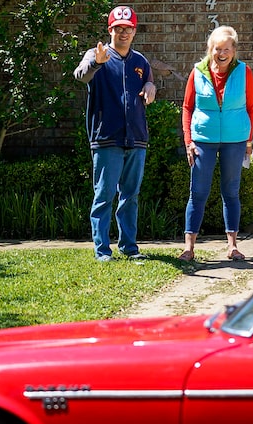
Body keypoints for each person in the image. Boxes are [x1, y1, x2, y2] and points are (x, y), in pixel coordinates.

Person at [73, 5, 156, 262]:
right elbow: (81, 76)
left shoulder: (141, 61)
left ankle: (130, 248)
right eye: (118, 28)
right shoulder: (96, 54)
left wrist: (151, 85)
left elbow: (149, 83)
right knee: (104, 196)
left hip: (137, 138)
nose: (123, 33)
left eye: (127, 28)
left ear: (134, 31)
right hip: (106, 137)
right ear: (110, 30)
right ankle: (102, 251)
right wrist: (96, 64)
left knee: (130, 196)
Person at [178, 25, 253, 262]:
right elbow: (187, 107)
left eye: (226, 49)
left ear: (233, 51)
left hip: (235, 139)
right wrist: (188, 141)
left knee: (230, 192)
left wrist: (249, 140)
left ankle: (232, 246)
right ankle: (189, 248)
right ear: (209, 49)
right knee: (198, 192)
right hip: (203, 139)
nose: (221, 54)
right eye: (216, 49)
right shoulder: (197, 72)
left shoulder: (244, 72)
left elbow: (251, 107)